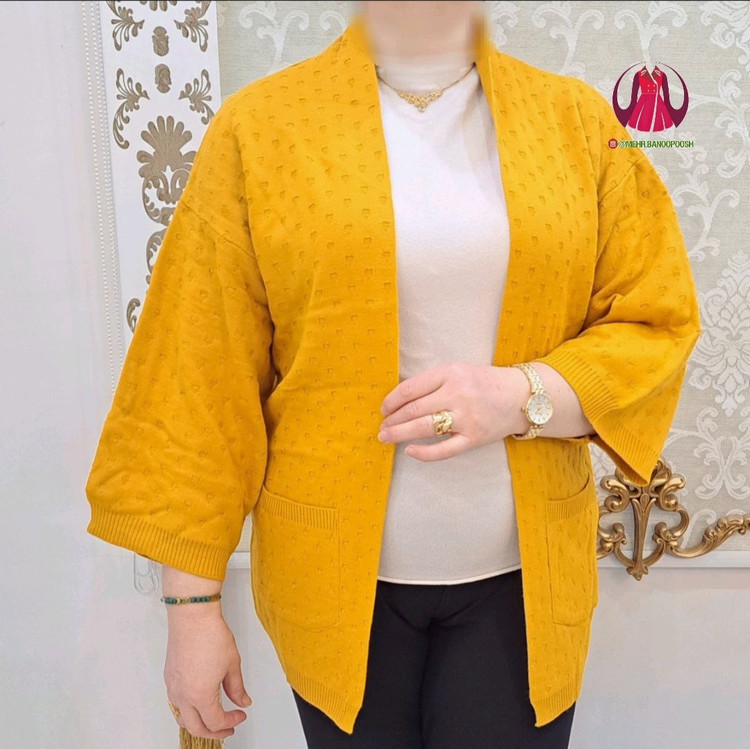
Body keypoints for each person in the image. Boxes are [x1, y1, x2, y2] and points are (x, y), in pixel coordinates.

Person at [84, 1, 702, 747]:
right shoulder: (261, 128)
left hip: (525, 586)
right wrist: (191, 610)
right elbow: (197, 371)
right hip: (329, 587)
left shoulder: (579, 121)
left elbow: (654, 320)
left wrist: (521, 394)